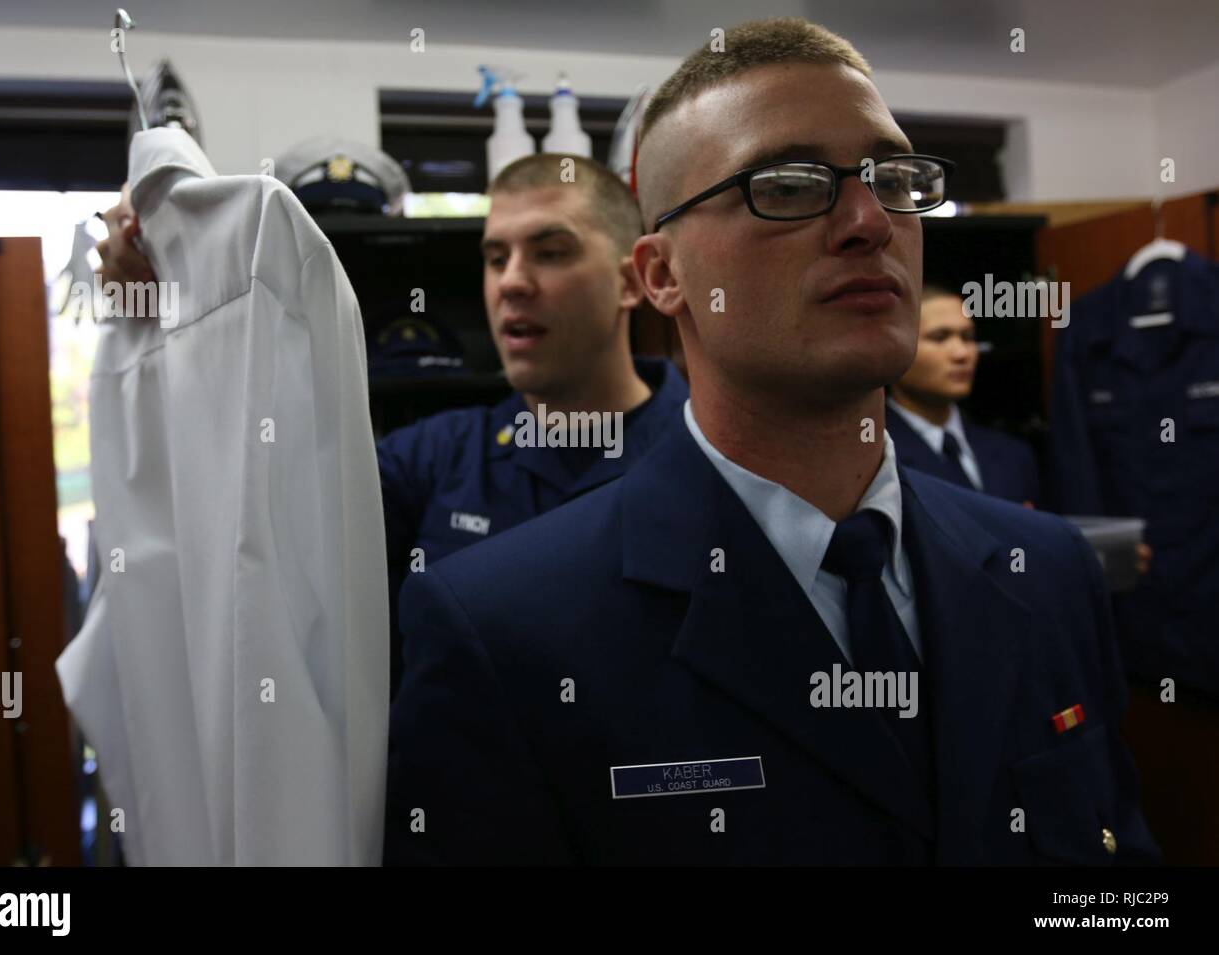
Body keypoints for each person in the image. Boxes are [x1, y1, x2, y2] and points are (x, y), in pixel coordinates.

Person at [386, 17, 1158, 865]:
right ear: (661, 276)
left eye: (894, 178)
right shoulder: (502, 629)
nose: (868, 220)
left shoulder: (1047, 572)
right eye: (788, 185)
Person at [94, 152, 688, 693]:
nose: (511, 282)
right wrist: (170, 272)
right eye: (495, 258)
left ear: (630, 281)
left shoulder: (704, 455)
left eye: (551, 252)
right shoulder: (435, 459)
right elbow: (264, 520)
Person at [885, 284, 1041, 505]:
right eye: (939, 337)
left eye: (968, 337)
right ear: (894, 349)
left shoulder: (1013, 455)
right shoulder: (873, 459)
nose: (962, 353)